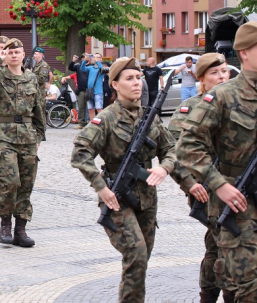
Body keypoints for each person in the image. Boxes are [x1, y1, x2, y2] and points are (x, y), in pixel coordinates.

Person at [71, 57, 177, 302]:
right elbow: (80, 154)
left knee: (141, 260)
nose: (137, 83)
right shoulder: (106, 118)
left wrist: (165, 168)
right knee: (136, 253)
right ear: (116, 85)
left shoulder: (150, 117)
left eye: (138, 78)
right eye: (129, 78)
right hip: (116, 198)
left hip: (147, 198)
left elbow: (171, 149)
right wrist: (101, 188)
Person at [176, 21, 257, 301]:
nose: (220, 74)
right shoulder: (223, 96)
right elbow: (187, 145)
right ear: (245, 52)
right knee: (247, 287)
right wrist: (218, 184)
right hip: (239, 202)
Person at [167, 53, 234, 302]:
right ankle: (226, 294)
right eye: (215, 73)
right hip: (207, 191)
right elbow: (172, 152)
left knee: (218, 246)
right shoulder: (190, 108)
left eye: (225, 71)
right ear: (201, 78)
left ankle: (210, 295)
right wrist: (190, 184)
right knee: (227, 245)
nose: (222, 77)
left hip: (239, 187)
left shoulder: (240, 105)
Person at [0, 38, 45, 246]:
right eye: (9, 52)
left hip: (28, 136)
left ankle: (20, 229)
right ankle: (5, 222)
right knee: (9, 181)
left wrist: (39, 136)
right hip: (4, 135)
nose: (13, 55)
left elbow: (39, 109)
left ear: (23, 55)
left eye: (17, 52)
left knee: (26, 184)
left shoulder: (31, 78)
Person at [80, 53, 107, 120]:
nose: (95, 58)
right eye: (94, 57)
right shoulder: (91, 68)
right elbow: (82, 69)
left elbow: (101, 68)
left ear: (101, 59)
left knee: (99, 108)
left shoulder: (102, 68)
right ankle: (93, 123)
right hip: (90, 91)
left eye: (98, 57)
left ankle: (102, 123)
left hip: (98, 92)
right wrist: (85, 60)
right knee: (90, 109)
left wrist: (96, 61)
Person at [69, 53, 90, 129]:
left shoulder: (92, 67)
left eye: (86, 57)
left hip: (90, 89)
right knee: (81, 107)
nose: (84, 58)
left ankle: (90, 122)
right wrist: (73, 61)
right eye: (83, 57)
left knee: (90, 107)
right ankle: (81, 123)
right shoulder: (78, 66)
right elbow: (70, 68)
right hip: (81, 89)